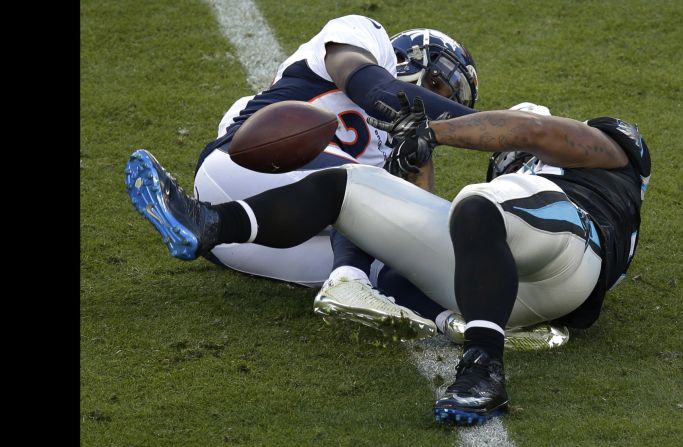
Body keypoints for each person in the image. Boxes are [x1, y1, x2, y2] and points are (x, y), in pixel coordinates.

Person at [125, 91, 650, 425]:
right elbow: (417, 245)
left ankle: (483, 370)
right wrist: (414, 158)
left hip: (576, 250)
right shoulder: (494, 215)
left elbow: (534, 132)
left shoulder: (607, 164)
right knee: (348, 185)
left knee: (476, 203)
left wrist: (434, 131)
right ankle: (210, 224)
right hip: (506, 292)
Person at [183, 15, 479, 339]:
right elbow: (376, 89)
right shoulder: (365, 38)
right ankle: (347, 281)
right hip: (243, 168)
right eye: (437, 86)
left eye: (446, 98)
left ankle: (469, 327)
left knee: (397, 254)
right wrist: (492, 127)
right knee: (368, 188)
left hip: (244, 244)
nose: (437, 102)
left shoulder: (408, 151)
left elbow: (412, 237)